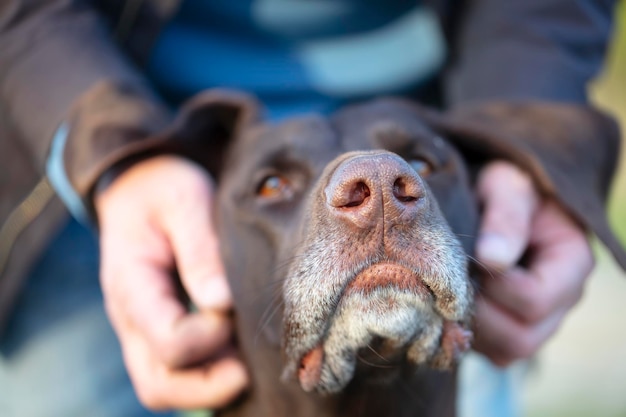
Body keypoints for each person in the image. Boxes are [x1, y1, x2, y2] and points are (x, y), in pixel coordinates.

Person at [0, 0, 621, 416]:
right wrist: (113, 151)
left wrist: (526, 124)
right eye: (273, 186)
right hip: (113, 126)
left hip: (445, 85)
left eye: (417, 170)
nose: (379, 187)